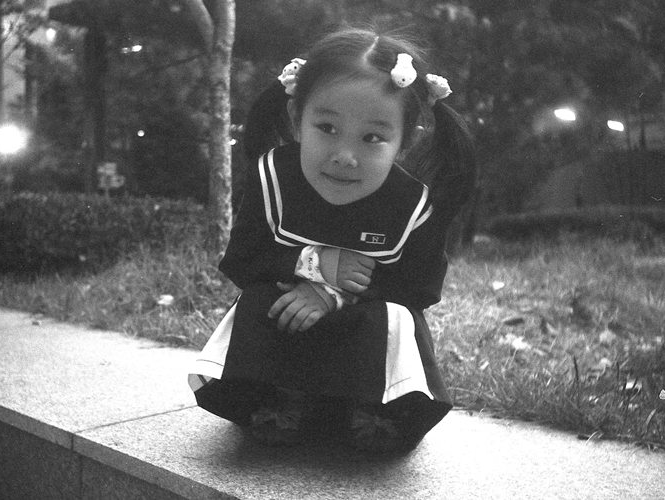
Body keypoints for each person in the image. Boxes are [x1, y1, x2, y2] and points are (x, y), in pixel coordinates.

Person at [188, 26, 476, 454]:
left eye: (372, 138)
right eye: (327, 127)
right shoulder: (275, 177)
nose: (344, 155)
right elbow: (242, 260)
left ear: (404, 141)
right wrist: (314, 264)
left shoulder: (411, 203)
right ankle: (273, 399)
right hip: (289, 315)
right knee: (258, 300)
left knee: (396, 318)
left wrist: (334, 294)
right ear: (297, 119)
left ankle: (373, 410)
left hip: (361, 330)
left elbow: (421, 288)